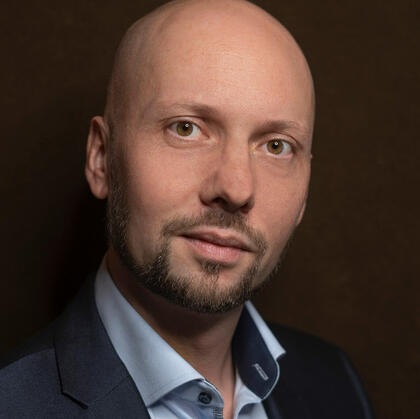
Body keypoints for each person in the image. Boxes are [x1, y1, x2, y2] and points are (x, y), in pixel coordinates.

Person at [0, 0, 374, 417]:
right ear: (102, 158)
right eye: (187, 128)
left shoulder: (335, 384)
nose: (235, 189)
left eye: (275, 146)